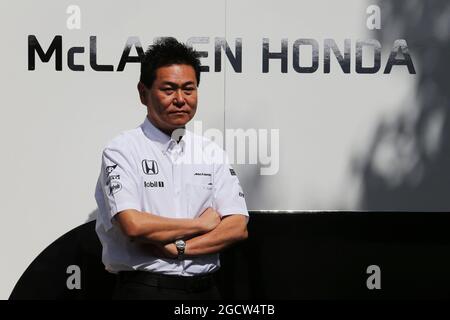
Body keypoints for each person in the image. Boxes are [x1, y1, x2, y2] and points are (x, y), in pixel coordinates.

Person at [94, 37, 249, 300]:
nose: (180, 99)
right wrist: (201, 224)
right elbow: (133, 225)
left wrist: (180, 249)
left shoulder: (210, 152)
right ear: (144, 93)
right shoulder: (122, 150)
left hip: (206, 291)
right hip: (145, 290)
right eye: (168, 89)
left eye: (189, 89)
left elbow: (236, 227)